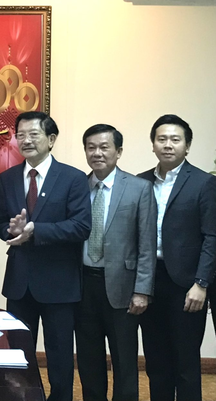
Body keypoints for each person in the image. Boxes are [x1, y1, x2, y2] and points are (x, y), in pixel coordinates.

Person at [0, 111, 91, 401]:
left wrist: (36, 230)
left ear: (51, 139)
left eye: (33, 134)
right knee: (18, 355)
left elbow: (81, 226)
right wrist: (10, 231)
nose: (25, 140)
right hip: (20, 282)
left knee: (59, 356)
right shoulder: (7, 178)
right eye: (20, 135)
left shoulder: (72, 178)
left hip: (60, 283)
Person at [75, 124, 157, 401]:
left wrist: (142, 290)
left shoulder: (139, 188)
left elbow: (147, 244)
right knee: (87, 359)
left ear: (118, 151)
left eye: (104, 147)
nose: (97, 153)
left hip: (124, 290)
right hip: (84, 286)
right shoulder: (78, 188)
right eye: (91, 147)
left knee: (124, 361)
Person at [138, 114, 216, 401]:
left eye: (175, 139)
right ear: (153, 145)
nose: (168, 145)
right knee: (156, 361)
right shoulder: (140, 182)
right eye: (162, 139)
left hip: (186, 284)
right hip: (149, 281)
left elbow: (212, 236)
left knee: (185, 361)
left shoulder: (203, 183)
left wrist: (201, 283)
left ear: (187, 145)